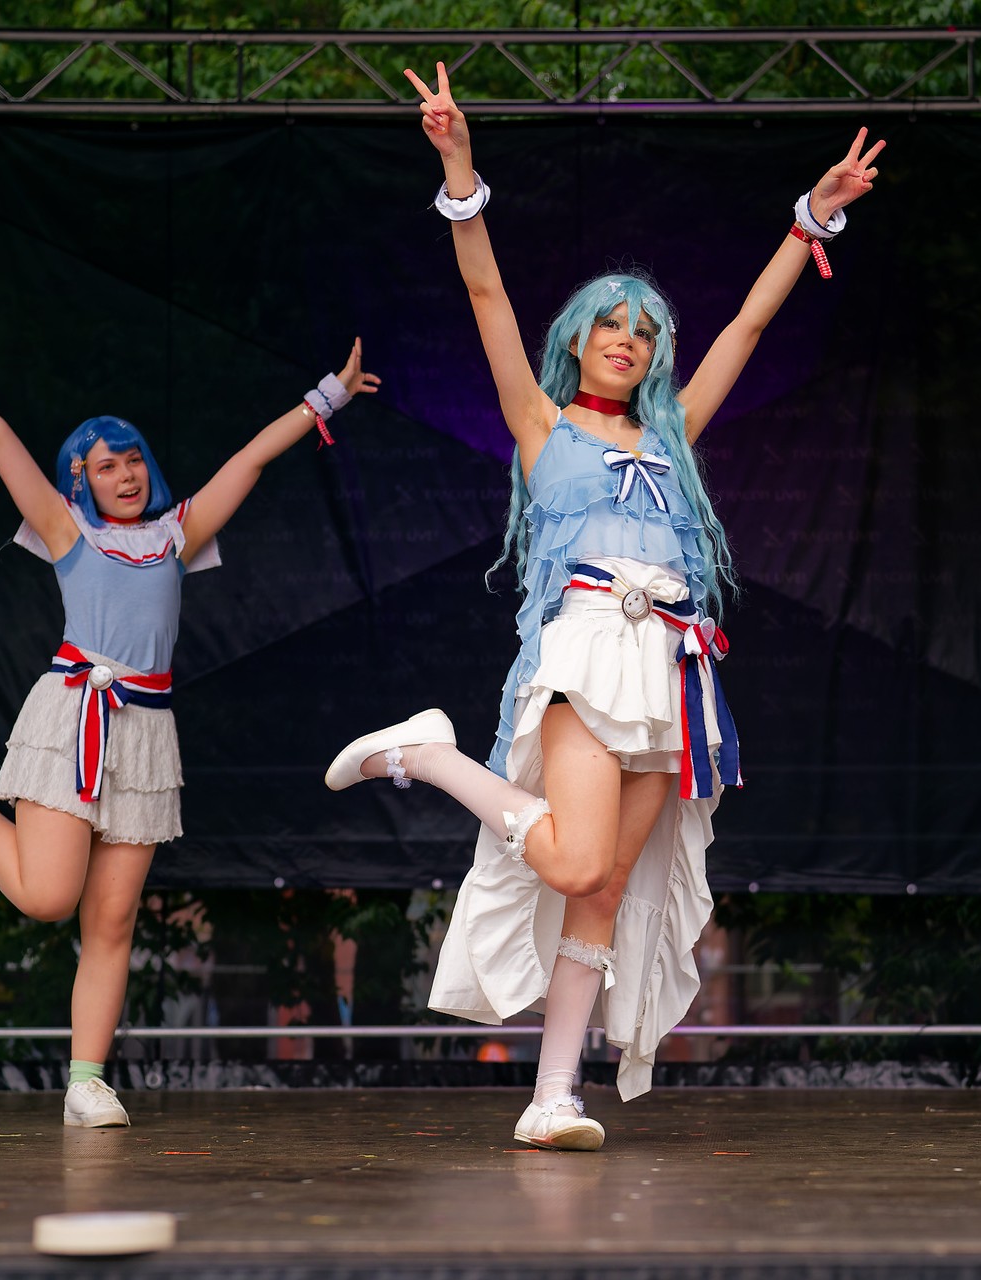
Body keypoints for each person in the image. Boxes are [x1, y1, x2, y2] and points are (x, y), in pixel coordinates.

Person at [325, 63, 883, 1150]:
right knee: (579, 861)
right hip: (586, 646)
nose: (628, 338)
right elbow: (488, 300)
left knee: (608, 886)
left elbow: (746, 330)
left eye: (645, 330)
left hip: (672, 667)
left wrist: (811, 219)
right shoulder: (542, 425)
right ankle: (430, 756)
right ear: (579, 337)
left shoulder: (673, 436)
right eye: (610, 324)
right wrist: (459, 170)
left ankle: (553, 1096)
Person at [0, 293, 378, 1127]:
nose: (127, 474)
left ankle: (87, 1081)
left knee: (112, 919)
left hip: (144, 733)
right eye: (106, 466)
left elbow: (249, 459)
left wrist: (328, 396)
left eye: (133, 459)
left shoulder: (177, 534)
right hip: (74, 715)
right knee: (48, 898)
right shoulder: (66, 530)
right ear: (80, 478)